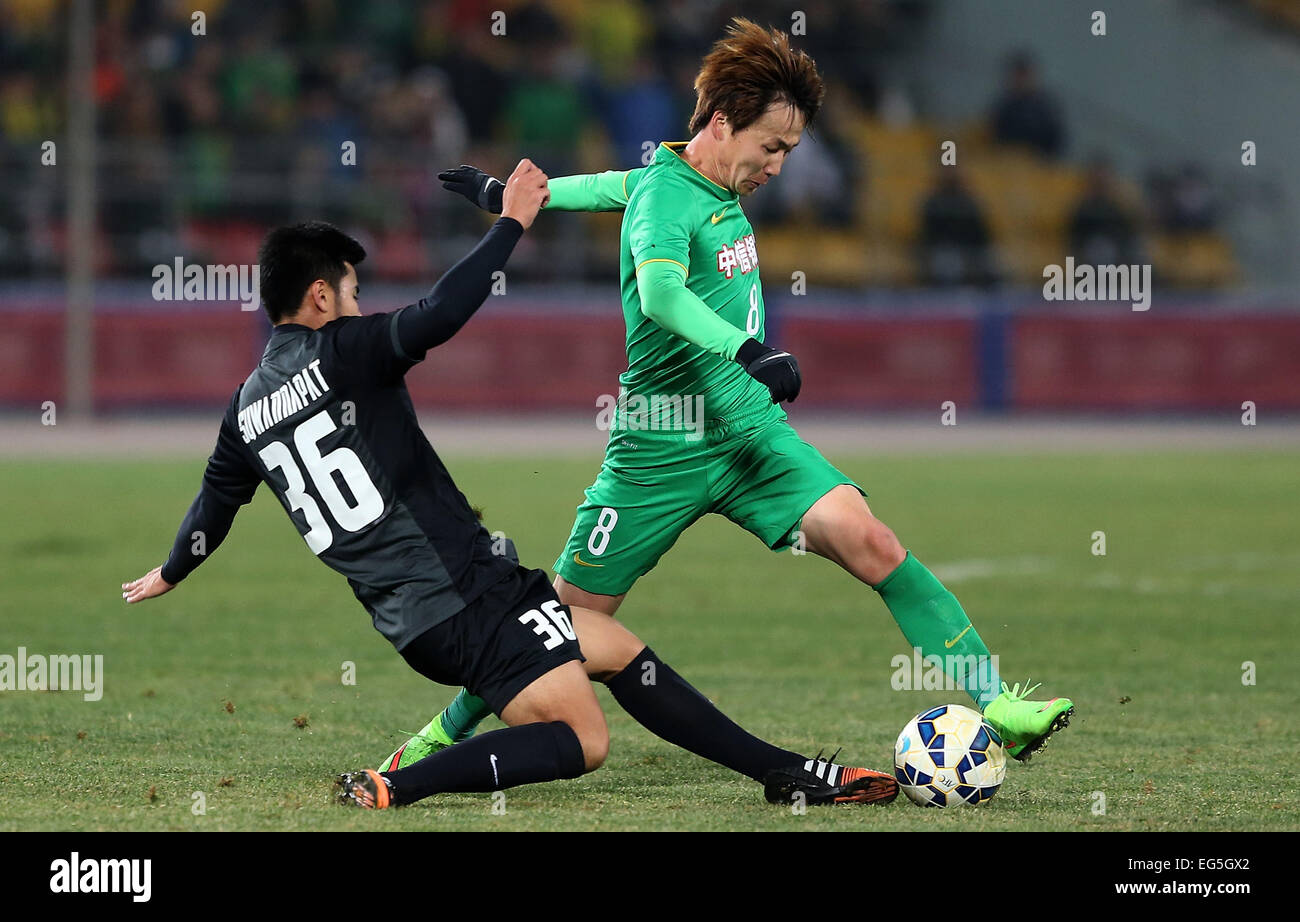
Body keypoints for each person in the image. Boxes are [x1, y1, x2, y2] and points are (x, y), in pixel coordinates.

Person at [400, 18, 1074, 775]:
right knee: (566, 624)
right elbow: (659, 293)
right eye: (773, 148)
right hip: (661, 447)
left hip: (750, 432)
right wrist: (746, 346)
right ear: (722, 125)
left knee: (873, 541)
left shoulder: (679, 176)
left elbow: (614, 187)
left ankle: (999, 704)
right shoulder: (670, 193)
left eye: (789, 151)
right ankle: (445, 731)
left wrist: (515, 195)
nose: (780, 167)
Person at [122, 158, 896, 809]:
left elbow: (214, 507)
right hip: (463, 595)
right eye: (353, 291)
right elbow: (438, 313)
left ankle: (785, 773)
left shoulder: (247, 408)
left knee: (620, 649)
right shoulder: (346, 351)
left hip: (421, 615)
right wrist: (512, 223)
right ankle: (398, 788)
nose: (359, 303)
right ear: (320, 297)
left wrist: (172, 569)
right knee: (582, 739)